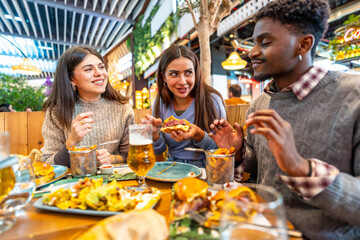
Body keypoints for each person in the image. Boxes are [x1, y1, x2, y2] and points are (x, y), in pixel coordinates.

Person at [209, 0, 360, 239]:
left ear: (303, 44)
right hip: (261, 230)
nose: (252, 52)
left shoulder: (353, 97)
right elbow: (258, 171)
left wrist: (301, 168)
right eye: (253, 42)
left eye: (265, 42)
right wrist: (237, 153)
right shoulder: (261, 103)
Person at [41, 46, 134, 167]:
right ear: (71, 79)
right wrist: (72, 141)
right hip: (73, 183)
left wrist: (111, 159)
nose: (99, 73)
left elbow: (130, 156)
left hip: (115, 181)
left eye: (101, 67)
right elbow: (48, 163)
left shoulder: (123, 108)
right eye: (88, 69)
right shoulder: (56, 112)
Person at [142, 44, 226, 168]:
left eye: (188, 73)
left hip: (208, 168)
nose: (182, 81)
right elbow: (158, 151)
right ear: (163, 77)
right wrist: (154, 134)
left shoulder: (212, 101)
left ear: (195, 73)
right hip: (172, 167)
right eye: (174, 74)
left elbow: (223, 149)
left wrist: (199, 135)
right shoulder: (159, 103)